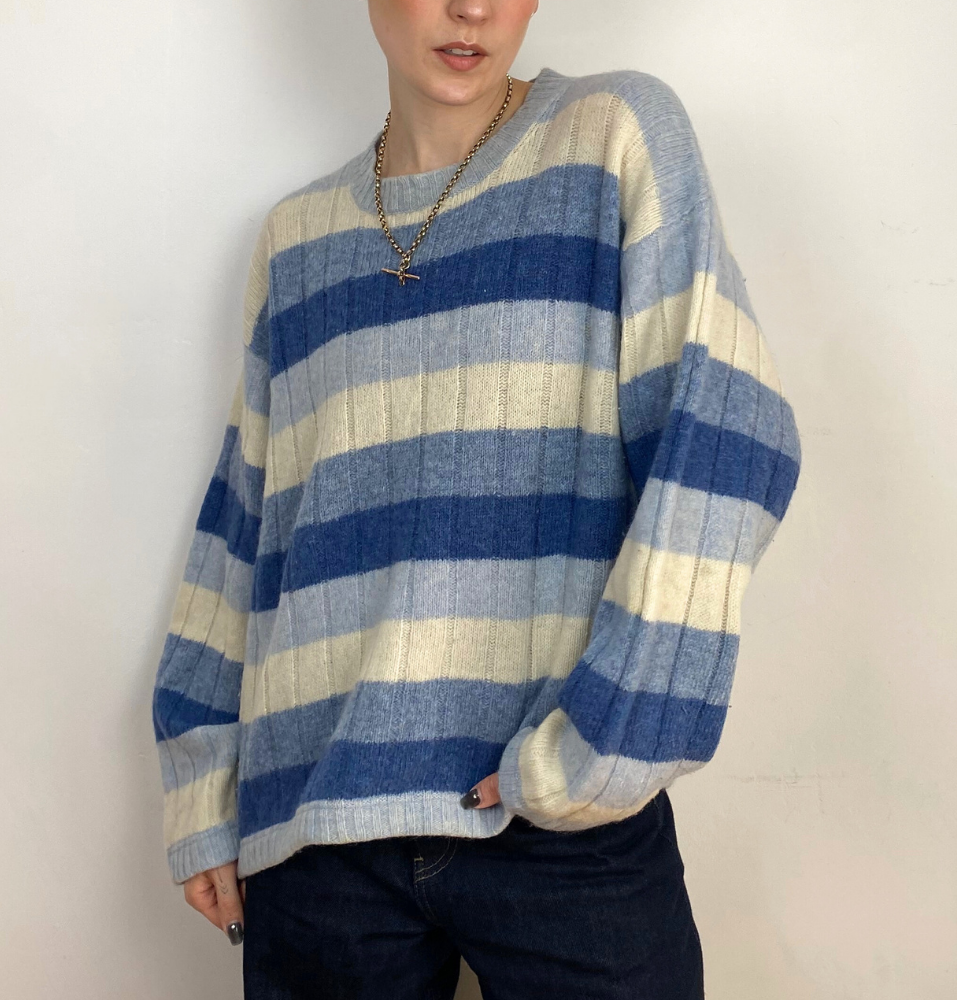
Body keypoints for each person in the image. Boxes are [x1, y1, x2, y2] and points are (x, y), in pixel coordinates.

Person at [150, 1, 802, 996]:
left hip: (558, 824)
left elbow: (728, 434)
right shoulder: (296, 239)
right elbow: (247, 521)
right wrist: (204, 779)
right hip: (320, 827)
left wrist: (611, 739)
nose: (473, 7)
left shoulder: (612, 137)